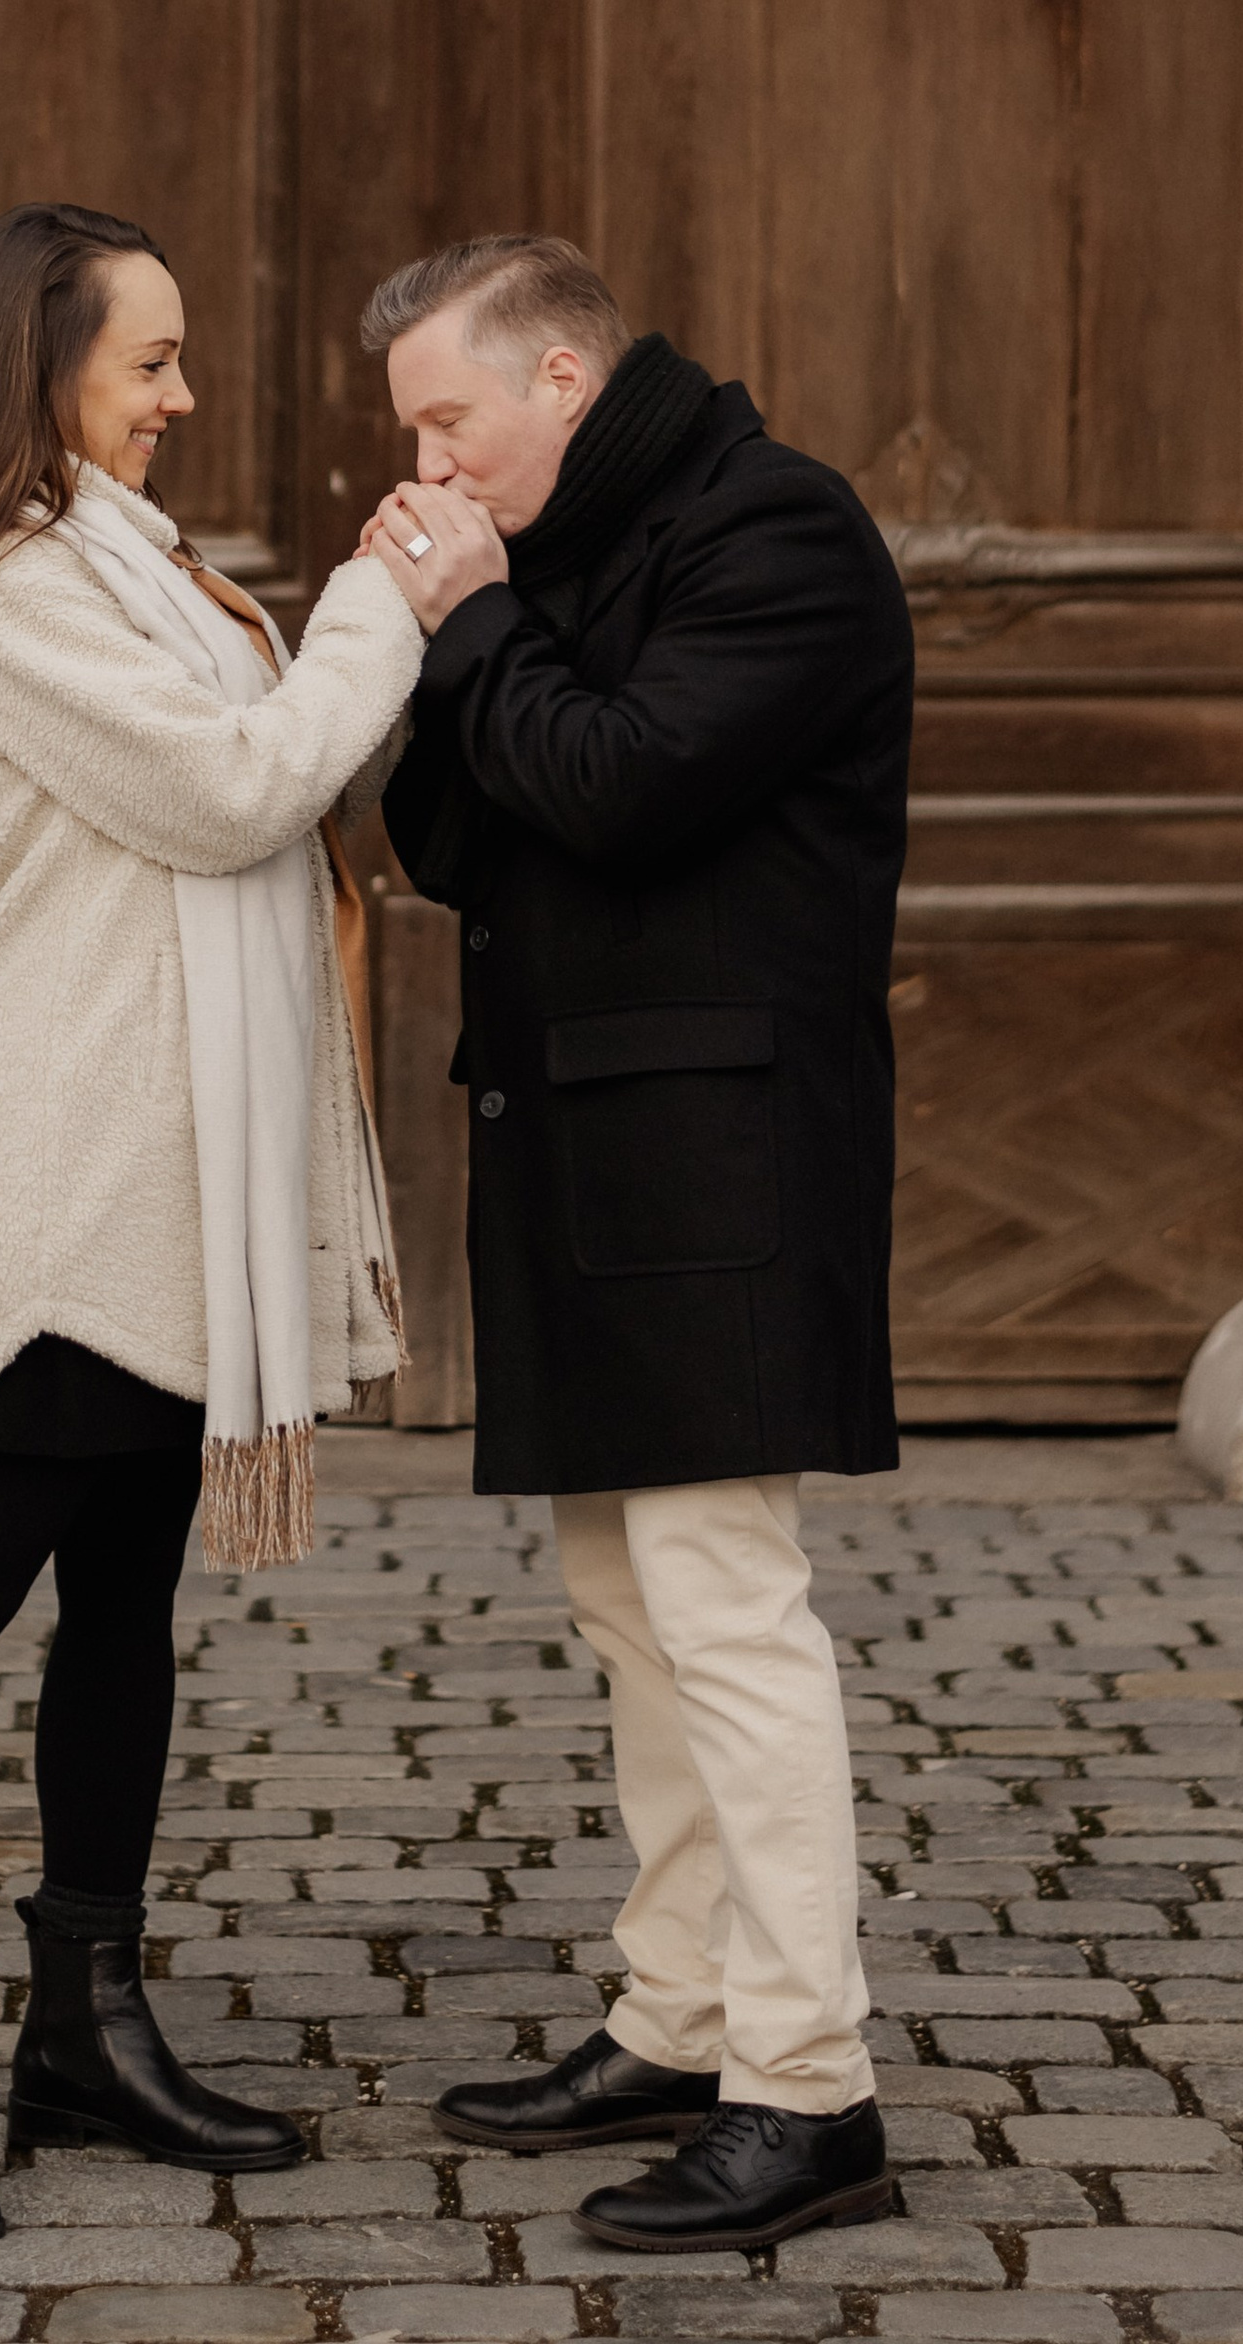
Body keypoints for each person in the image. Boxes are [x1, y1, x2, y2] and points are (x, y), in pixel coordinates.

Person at [0, 202, 491, 2243]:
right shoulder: (13, 589)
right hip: (63, 1181)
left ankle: (84, 2025)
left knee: (118, 1609)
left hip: (170, 1181)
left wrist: (357, 626)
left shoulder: (134, 562)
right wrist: (382, 601)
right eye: (149, 361)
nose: (183, 395)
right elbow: (238, 789)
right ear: (45, 370)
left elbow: (264, 776)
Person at [356, 234, 914, 2259]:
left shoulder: (774, 530)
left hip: (717, 1163)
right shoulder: (567, 549)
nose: (427, 462)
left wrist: (477, 624)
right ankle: (680, 2017)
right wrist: (456, 639)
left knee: (725, 1608)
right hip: (583, 1146)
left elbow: (616, 785)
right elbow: (451, 838)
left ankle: (807, 2088)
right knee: (627, 1602)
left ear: (563, 378)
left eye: (447, 419)